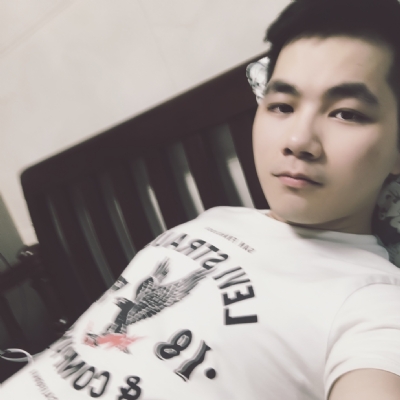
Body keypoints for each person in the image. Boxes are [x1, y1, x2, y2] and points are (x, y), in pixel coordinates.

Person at [2, 0, 400, 398]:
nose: (297, 140)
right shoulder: (217, 219)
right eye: (281, 105)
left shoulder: (372, 304)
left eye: (347, 114)